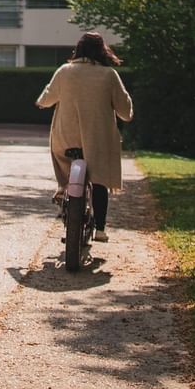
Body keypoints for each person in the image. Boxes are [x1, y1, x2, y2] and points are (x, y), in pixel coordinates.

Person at [35, 31, 133, 242]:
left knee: (64, 161)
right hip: (97, 139)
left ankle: (64, 189)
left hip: (66, 138)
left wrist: (42, 102)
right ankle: (100, 229)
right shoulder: (109, 75)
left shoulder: (64, 71)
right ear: (102, 50)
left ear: (78, 49)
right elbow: (125, 110)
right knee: (99, 179)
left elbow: (46, 98)